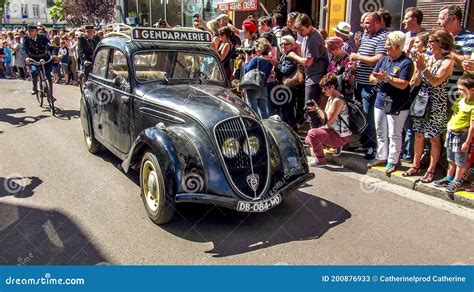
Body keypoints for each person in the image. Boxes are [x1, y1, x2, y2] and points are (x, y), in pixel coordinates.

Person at [403, 30, 455, 182]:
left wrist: (423, 67)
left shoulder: (447, 61)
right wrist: (418, 70)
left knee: (433, 138)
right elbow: (416, 83)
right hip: (422, 100)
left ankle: (432, 169)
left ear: (442, 43)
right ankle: (415, 164)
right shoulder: (427, 58)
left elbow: (435, 81)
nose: (429, 45)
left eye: (432, 41)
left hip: (436, 103)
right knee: (418, 135)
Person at [367, 31, 414, 173]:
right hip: (381, 100)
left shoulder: (406, 63)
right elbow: (372, 77)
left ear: (399, 46)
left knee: (394, 133)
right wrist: (376, 79)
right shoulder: (383, 60)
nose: (387, 49)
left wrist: (387, 78)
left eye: (390, 47)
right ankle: (381, 156)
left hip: (398, 103)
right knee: (381, 131)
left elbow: (404, 84)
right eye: (386, 46)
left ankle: (393, 160)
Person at [350, 12, 388, 159]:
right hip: (359, 82)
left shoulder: (382, 37)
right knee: (361, 114)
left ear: (378, 23)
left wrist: (358, 57)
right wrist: (355, 64)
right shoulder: (366, 36)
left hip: (370, 85)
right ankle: (364, 142)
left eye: (367, 23)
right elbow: (365, 57)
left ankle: (371, 147)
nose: (364, 26)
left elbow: (378, 59)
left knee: (369, 115)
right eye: (364, 23)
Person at [432, 74, 474, 193]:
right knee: (450, 157)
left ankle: (457, 180)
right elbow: (454, 115)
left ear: (472, 90)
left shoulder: (472, 106)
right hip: (451, 133)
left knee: (460, 160)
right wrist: (448, 129)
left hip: (462, 135)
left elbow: (472, 126)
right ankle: (449, 177)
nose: (459, 91)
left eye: (462, 89)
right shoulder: (460, 100)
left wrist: (467, 142)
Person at [287, 13, 328, 128]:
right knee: (311, 109)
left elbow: (308, 62)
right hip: (311, 76)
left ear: (308, 25)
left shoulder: (314, 38)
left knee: (312, 108)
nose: (300, 33)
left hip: (315, 78)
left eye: (301, 29)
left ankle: (316, 135)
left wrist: (293, 56)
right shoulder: (307, 36)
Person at [305, 73, 352, 167]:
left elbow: (327, 120)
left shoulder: (337, 101)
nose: (323, 91)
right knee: (308, 139)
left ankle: (320, 160)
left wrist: (317, 109)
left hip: (341, 136)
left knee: (312, 133)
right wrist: (316, 109)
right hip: (333, 130)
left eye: (325, 88)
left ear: (332, 87)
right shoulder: (331, 98)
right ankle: (334, 146)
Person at [437, 5, 474, 102]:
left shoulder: (469, 38)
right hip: (434, 90)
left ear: (453, 19)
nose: (438, 22)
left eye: (441, 18)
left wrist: (447, 50)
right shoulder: (438, 37)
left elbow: (466, 66)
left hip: (454, 93)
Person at [243, 38, 273, 119]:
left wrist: (247, 59)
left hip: (253, 87)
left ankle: (255, 128)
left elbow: (247, 69)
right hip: (263, 87)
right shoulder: (270, 61)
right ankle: (266, 128)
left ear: (259, 48)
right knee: (263, 111)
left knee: (253, 112)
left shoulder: (256, 59)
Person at [274, 35, 300, 127]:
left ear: (292, 45)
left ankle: (292, 131)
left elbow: (286, 70)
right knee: (285, 110)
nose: (283, 46)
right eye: (281, 44)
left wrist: (277, 65)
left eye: (286, 44)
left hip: (289, 87)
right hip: (286, 87)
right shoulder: (285, 55)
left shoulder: (291, 55)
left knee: (288, 111)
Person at [22, 25, 53, 97]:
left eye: (32, 31)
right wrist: (26, 58)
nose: (30, 33)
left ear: (36, 31)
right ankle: (35, 87)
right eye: (29, 31)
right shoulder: (26, 39)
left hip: (44, 58)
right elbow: (24, 49)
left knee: (48, 73)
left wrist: (51, 50)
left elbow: (48, 44)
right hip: (33, 59)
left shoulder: (42, 37)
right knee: (34, 71)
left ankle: (49, 92)